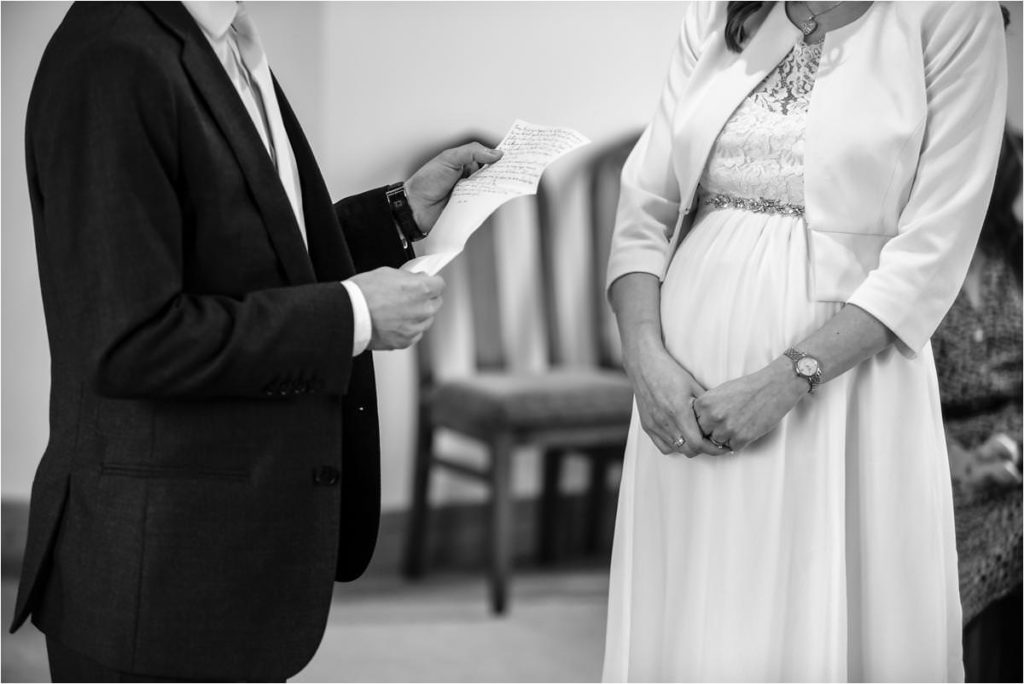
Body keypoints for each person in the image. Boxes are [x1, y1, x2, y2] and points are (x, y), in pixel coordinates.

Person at [9, 2, 501, 681]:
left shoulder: (228, 39)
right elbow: (130, 339)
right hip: (159, 583)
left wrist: (400, 211)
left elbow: (249, 253)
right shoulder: (112, 55)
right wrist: (352, 315)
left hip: (230, 563)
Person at [602, 1, 1006, 681]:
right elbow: (645, 206)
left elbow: (933, 250)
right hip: (681, 386)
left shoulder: (952, 15)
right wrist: (645, 359)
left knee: (819, 611)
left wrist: (787, 379)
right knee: (689, 620)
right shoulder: (717, 11)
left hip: (845, 387)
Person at [932, 127, 1022, 683]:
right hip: (941, 453)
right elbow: (903, 404)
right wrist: (967, 464)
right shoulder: (919, 268)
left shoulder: (1017, 258)